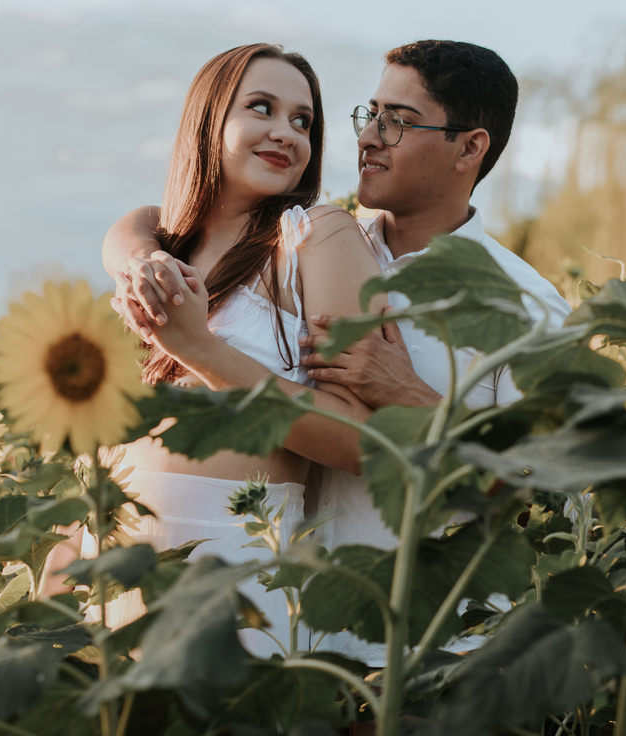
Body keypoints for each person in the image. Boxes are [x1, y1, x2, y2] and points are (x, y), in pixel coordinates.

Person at [107, 40, 572, 667]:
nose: (370, 138)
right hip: (305, 619)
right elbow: (149, 221)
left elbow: (543, 492)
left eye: (398, 122)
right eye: (368, 115)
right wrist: (135, 252)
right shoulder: (308, 237)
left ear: (469, 147)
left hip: (422, 646)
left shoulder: (525, 306)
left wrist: (410, 397)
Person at [52, 43, 384, 658]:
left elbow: (364, 440)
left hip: (232, 572)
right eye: (262, 107)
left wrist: (201, 349)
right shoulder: (162, 246)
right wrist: (69, 546)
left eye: (303, 121)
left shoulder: (315, 238)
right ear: (209, 119)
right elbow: (131, 228)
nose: (286, 133)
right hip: (108, 557)